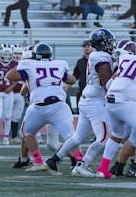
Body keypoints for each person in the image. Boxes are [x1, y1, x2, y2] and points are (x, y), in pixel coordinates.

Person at [46, 29, 115, 176]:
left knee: (78, 137)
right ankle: (82, 165)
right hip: (96, 102)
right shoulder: (102, 57)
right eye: (109, 42)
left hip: (88, 99)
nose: (111, 44)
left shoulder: (96, 55)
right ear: (102, 43)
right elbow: (106, 83)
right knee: (104, 138)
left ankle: (54, 160)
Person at [94, 39, 136, 181]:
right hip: (126, 100)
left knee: (116, 134)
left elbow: (110, 83)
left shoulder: (126, 58)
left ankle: (103, 168)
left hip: (111, 99)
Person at [5, 43, 77, 172]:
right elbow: (71, 80)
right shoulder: (57, 64)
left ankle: (37, 162)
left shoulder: (29, 66)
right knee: (68, 138)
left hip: (40, 107)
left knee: (26, 133)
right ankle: (79, 160)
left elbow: (10, 76)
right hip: (59, 106)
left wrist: (22, 64)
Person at [0, 44, 18, 145]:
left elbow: (18, 78)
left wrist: (11, 87)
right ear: (0, 54)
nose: (6, 56)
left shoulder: (15, 63)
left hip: (8, 93)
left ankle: (6, 138)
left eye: (8, 54)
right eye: (4, 54)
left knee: (8, 116)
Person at [72, 40, 92, 106]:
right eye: (84, 46)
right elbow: (75, 76)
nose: (87, 48)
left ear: (92, 47)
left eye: (88, 46)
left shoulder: (97, 60)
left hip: (94, 94)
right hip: (82, 93)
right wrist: (66, 88)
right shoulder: (80, 62)